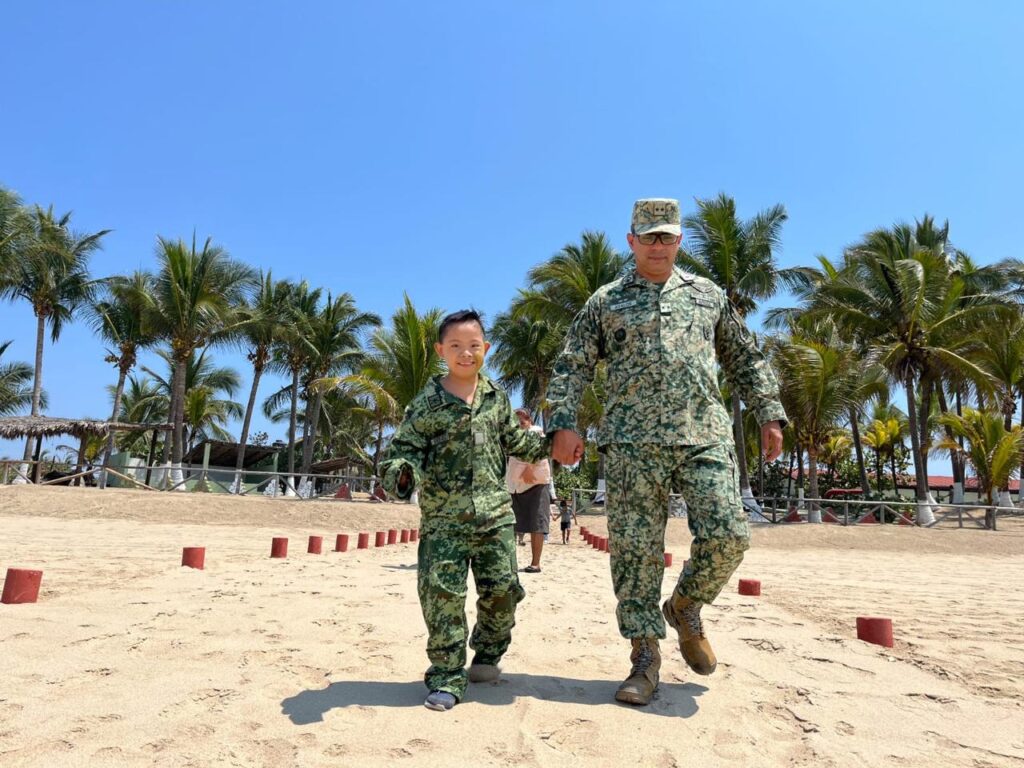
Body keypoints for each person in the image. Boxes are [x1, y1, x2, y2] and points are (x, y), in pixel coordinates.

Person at [545, 198, 786, 706]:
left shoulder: (708, 295)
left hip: (703, 434)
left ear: (679, 241)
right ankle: (644, 657)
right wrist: (563, 423)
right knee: (635, 555)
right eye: (648, 236)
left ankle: (684, 605)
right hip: (631, 443)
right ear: (631, 241)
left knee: (729, 534)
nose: (658, 245)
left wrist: (768, 410)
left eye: (667, 236)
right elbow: (572, 364)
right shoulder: (606, 301)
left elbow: (744, 355)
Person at [380, 309, 550, 712]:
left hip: (495, 518)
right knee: (442, 598)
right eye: (455, 345)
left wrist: (556, 443)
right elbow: (404, 451)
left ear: (485, 348)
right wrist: (401, 473)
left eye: (474, 345)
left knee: (503, 592)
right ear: (441, 350)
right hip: (444, 522)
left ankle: (488, 652)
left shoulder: (496, 398)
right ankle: (446, 676)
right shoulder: (426, 404)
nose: (465, 353)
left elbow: (518, 442)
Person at [507, 408, 553, 573]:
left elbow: (542, 450)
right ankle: (510, 562)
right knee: (510, 525)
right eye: (516, 422)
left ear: (529, 420)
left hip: (536, 484)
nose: (519, 424)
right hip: (515, 486)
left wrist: (530, 467)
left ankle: (535, 563)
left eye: (522, 421)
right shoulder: (512, 435)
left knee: (537, 524)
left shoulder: (536, 431)